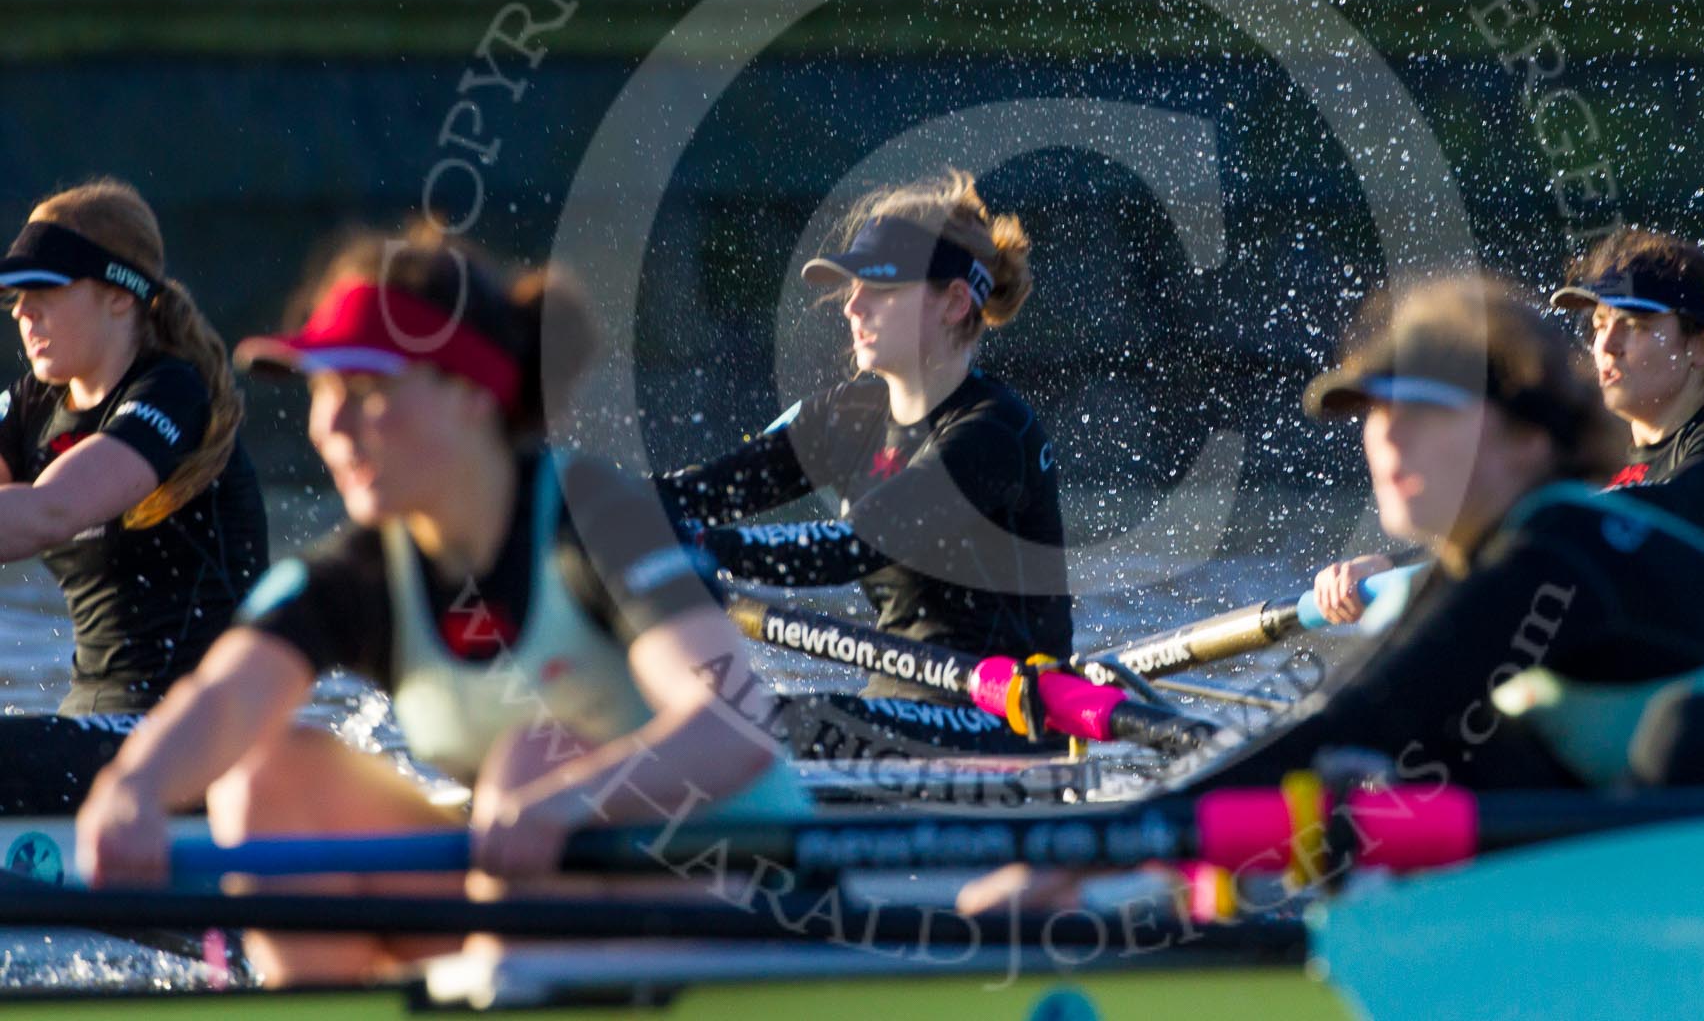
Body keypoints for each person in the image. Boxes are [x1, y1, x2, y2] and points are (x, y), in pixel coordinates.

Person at [76, 225, 806, 985]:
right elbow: (227, 698)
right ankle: (327, 997)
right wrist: (133, 788)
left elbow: (733, 724)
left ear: (468, 393)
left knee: (531, 757)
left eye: (367, 390)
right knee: (264, 776)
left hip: (748, 908)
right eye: (323, 392)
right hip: (542, 910)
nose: (331, 425)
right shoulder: (364, 570)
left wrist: (565, 802)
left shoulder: (597, 518)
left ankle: (498, 977)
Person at [1223, 275, 1704, 794]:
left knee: (1678, 730)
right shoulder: (1498, 557)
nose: (1389, 434)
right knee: (1433, 749)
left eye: (1429, 411)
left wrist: (1144, 826)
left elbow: (1363, 715)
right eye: (1379, 410)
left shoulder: (1558, 552)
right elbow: (1351, 712)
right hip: (1676, 852)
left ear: (1528, 441)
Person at [657, 171, 1071, 758]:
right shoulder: (843, 416)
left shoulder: (993, 432)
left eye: (884, 288)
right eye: (854, 286)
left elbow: (850, 546)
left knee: (771, 723)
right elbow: (703, 491)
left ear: (955, 302)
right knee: (686, 715)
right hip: (895, 709)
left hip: (1007, 722)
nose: (853, 306)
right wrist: (591, 509)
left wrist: (705, 548)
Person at [1315, 229, 1704, 622]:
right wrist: (1385, 572)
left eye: (1633, 326)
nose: (1606, 346)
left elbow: (1652, 513)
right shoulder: (1597, 470)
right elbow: (1503, 527)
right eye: (1598, 324)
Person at [0, 179, 268, 812]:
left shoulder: (171, 393)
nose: (20, 312)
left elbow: (49, 512)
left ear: (119, 297)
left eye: (44, 291)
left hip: (193, 736)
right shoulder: (33, 404)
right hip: (96, 722)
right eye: (17, 295)